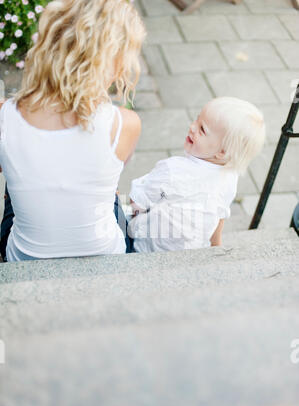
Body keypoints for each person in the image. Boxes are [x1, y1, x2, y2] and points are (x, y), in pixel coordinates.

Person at [0, 0, 146, 262]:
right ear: (114, 63)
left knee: (13, 178)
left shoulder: (4, 115)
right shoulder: (125, 123)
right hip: (105, 253)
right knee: (111, 194)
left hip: (23, 258)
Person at [128, 97, 266, 253]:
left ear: (222, 152)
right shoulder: (230, 176)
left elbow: (137, 199)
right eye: (196, 119)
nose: (192, 127)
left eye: (202, 129)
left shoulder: (172, 170)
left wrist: (135, 223)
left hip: (148, 248)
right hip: (192, 250)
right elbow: (220, 215)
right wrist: (216, 247)